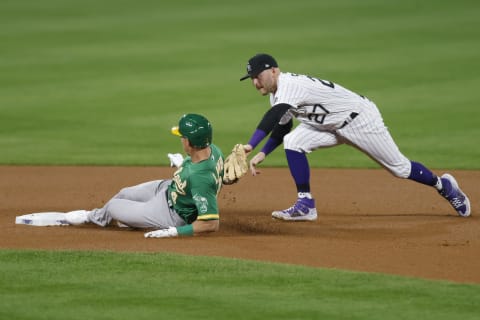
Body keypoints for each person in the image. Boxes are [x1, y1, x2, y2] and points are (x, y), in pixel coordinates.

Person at [239, 53, 471, 221]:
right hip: (327, 127)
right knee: (293, 141)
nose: (255, 82)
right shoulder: (277, 95)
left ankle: (445, 186)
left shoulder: (290, 84)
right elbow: (282, 126)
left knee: (400, 169)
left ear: (274, 71)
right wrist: (262, 153)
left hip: (359, 120)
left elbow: (274, 115)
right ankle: (306, 204)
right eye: (251, 79)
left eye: (258, 76)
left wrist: (250, 144)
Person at [47, 113, 223, 237]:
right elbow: (213, 175)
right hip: (169, 189)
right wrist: (183, 163)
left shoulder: (200, 178)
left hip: (172, 214)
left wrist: (175, 231)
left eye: (182, 136)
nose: (180, 139)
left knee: (113, 206)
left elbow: (211, 223)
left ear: (190, 142)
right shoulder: (213, 150)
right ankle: (102, 218)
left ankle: (93, 217)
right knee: (124, 192)